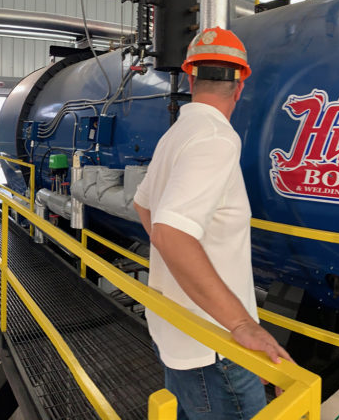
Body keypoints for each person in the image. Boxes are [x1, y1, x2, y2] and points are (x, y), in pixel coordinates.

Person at [133, 27, 290, 419]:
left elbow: (142, 206)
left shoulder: (178, 133)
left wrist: (175, 265)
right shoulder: (216, 139)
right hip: (214, 344)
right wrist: (240, 323)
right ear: (239, 86)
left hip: (177, 326)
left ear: (190, 78)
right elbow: (172, 233)